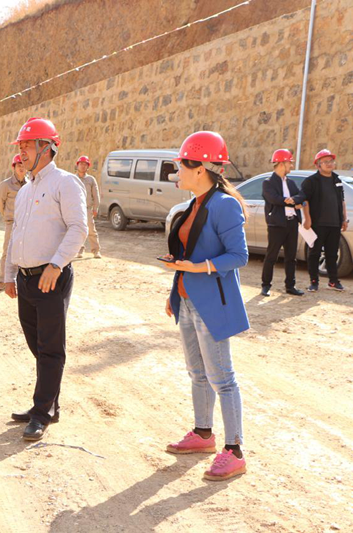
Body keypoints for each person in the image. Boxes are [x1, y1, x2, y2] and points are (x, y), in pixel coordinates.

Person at [162, 131, 249, 481]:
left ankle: (235, 451)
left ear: (200, 168)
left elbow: (238, 256)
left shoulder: (224, 204)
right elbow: (186, 255)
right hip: (187, 299)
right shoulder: (192, 205)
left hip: (212, 303)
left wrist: (197, 269)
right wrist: (176, 290)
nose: (177, 171)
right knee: (197, 373)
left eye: (181, 165)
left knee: (222, 379)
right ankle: (202, 434)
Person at [4, 117, 88, 441]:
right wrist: (10, 274)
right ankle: (49, 404)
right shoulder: (25, 190)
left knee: (50, 348)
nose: (22, 152)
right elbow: (17, 234)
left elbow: (78, 228)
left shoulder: (66, 183)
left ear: (46, 147)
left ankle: (41, 413)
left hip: (51, 277)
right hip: (26, 280)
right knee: (36, 344)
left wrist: (56, 265)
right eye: (21, 146)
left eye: (27, 145)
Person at [301, 149, 348, 292]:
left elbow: (342, 201)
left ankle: (333, 281)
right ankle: (314, 281)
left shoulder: (337, 180)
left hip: (334, 224)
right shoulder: (311, 181)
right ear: (318, 165)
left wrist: (344, 219)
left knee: (332, 254)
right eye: (325, 161)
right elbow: (304, 201)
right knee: (314, 253)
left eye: (331, 161)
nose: (329, 164)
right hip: (317, 224)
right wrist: (307, 219)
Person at [260, 149, 305, 296]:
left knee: (291, 257)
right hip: (277, 225)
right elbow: (273, 198)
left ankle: (290, 286)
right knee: (271, 256)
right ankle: (266, 285)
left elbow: (301, 196)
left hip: (292, 224)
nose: (291, 166)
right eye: (289, 163)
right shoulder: (268, 182)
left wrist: (296, 201)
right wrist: (290, 202)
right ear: (281, 164)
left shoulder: (291, 183)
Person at [0, 154, 26, 291]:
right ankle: (2, 280)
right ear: (14, 167)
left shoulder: (30, 184)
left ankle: (20, 281)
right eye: (19, 165)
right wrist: (8, 217)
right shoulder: (5, 185)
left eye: (23, 165)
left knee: (24, 251)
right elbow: (0, 203)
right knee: (7, 252)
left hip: (26, 223)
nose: (21, 168)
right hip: (12, 223)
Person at [75, 155, 101, 259]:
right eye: (81, 164)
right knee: (78, 231)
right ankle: (80, 250)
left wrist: (96, 208)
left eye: (85, 164)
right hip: (76, 209)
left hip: (87, 209)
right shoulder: (73, 179)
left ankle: (96, 251)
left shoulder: (91, 180)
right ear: (77, 165)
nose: (83, 166)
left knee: (91, 230)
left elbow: (96, 195)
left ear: (88, 166)